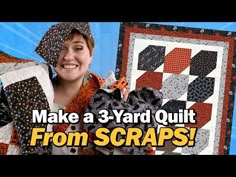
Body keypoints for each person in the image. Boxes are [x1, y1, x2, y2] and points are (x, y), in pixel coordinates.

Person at [0, 22, 155, 155]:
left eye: (78, 48)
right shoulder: (26, 91)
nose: (68, 56)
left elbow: (144, 146)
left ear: (91, 54)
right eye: (61, 48)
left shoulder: (111, 97)